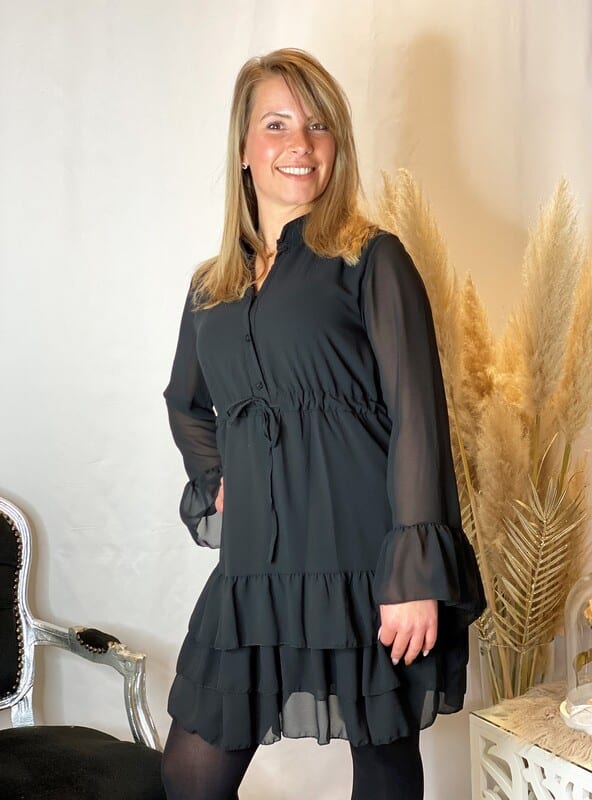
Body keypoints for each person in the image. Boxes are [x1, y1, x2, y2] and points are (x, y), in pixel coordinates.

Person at [160, 47, 485, 800]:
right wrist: (215, 479)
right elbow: (186, 402)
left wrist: (412, 573)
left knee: (382, 763)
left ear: (338, 143)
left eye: (318, 125)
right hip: (254, 568)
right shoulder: (211, 287)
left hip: (363, 558)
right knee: (191, 772)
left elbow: (418, 416)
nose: (300, 144)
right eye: (276, 125)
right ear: (244, 147)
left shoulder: (371, 259)